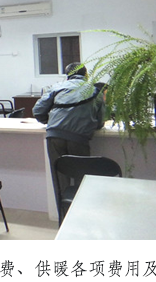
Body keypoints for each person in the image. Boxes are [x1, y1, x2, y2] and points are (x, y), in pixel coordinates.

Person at [32, 63, 107, 195]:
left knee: (59, 178)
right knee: (82, 178)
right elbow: (100, 121)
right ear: (86, 74)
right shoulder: (95, 91)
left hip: (54, 136)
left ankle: (62, 206)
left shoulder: (56, 87)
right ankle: (79, 206)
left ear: (67, 75)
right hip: (79, 138)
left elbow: (37, 111)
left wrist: (52, 121)